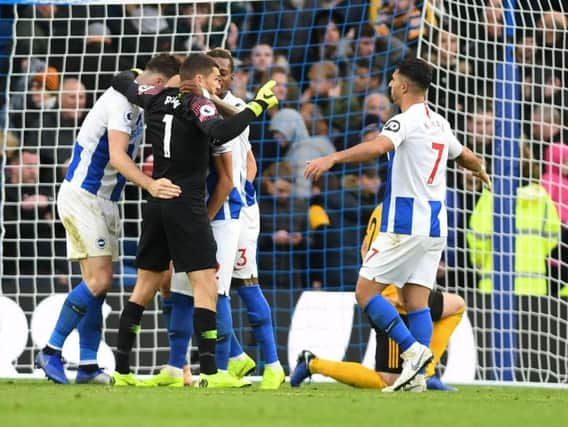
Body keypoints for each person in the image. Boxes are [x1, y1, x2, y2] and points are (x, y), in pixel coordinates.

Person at [304, 57, 490, 392]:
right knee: (416, 300)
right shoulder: (440, 123)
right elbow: (463, 154)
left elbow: (378, 147)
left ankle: (413, 352)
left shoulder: (403, 121)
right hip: (435, 226)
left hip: (403, 223)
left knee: (365, 291)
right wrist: (479, 169)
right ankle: (418, 378)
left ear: (403, 85)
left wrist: (333, 157)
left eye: (392, 80)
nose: (389, 85)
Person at [108, 53, 278, 388]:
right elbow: (221, 131)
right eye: (216, 78)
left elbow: (121, 82)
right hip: (186, 203)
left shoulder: (153, 96)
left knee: (143, 287)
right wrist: (257, 106)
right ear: (198, 79)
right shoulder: (199, 104)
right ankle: (212, 373)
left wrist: (135, 72)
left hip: (156, 200)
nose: (219, 85)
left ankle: (122, 370)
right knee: (206, 287)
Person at [35, 54, 182, 385]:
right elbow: (117, 155)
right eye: (168, 90)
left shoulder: (139, 98)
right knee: (99, 280)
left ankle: (87, 364)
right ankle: (50, 350)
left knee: (97, 286)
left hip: (104, 201)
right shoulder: (124, 103)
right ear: (158, 83)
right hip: (85, 197)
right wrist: (150, 185)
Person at [291, 203, 465, 391]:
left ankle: (425, 372)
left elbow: (366, 248)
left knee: (456, 305)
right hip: (392, 299)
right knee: (387, 381)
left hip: (387, 290)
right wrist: (395, 290)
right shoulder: (405, 210)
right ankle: (313, 364)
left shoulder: (382, 208)